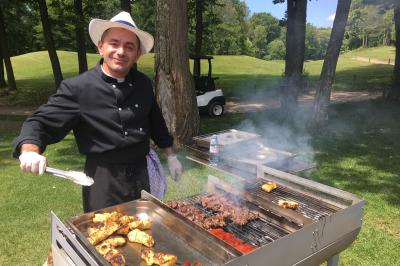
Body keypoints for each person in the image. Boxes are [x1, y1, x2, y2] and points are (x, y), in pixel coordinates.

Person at [12, 11, 182, 212]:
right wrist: (30, 151)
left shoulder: (143, 84)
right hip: (103, 180)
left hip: (141, 173)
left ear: (137, 54)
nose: (121, 51)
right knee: (104, 237)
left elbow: (156, 121)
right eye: (114, 43)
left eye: (129, 47)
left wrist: (171, 155)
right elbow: (40, 122)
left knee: (144, 231)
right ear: (101, 47)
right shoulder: (78, 88)